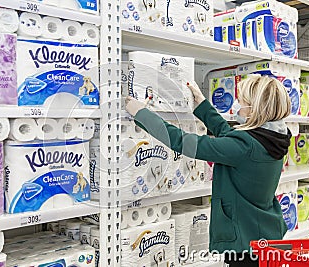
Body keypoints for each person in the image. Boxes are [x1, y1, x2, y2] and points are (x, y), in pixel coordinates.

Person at [125, 75, 292, 266]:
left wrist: (142, 114)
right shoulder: (274, 137)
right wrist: (202, 105)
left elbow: (183, 141)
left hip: (246, 243)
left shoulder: (245, 146)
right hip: (267, 233)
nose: (237, 104)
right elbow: (231, 136)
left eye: (242, 101)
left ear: (256, 109)